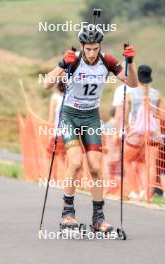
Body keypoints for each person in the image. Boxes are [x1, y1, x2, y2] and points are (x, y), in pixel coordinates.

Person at [45, 24, 138, 232]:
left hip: (91, 118)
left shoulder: (108, 61)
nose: (92, 53)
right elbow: (47, 83)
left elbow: (132, 84)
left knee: (96, 167)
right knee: (76, 162)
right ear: (82, 46)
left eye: (95, 48)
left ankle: (98, 218)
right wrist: (62, 64)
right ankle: (67, 213)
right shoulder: (74, 59)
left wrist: (130, 63)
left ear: (99, 46)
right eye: (88, 48)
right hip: (70, 115)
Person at [124, 65, 165, 200]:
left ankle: (134, 191)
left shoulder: (131, 94)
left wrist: (126, 128)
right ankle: (148, 195)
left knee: (126, 160)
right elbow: (161, 116)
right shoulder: (157, 95)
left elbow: (126, 116)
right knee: (151, 164)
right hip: (153, 133)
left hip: (137, 133)